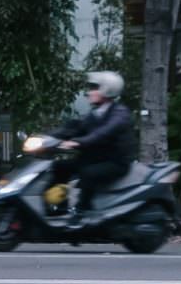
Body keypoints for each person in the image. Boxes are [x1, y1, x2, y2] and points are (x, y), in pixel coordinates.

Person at [51, 71, 135, 228]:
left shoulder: (119, 114)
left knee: (88, 173)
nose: (89, 92)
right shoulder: (96, 113)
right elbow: (75, 128)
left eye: (94, 88)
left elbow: (101, 134)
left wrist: (77, 142)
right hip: (95, 158)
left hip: (115, 162)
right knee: (59, 166)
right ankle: (60, 207)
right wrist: (48, 139)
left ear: (107, 90)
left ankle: (82, 212)